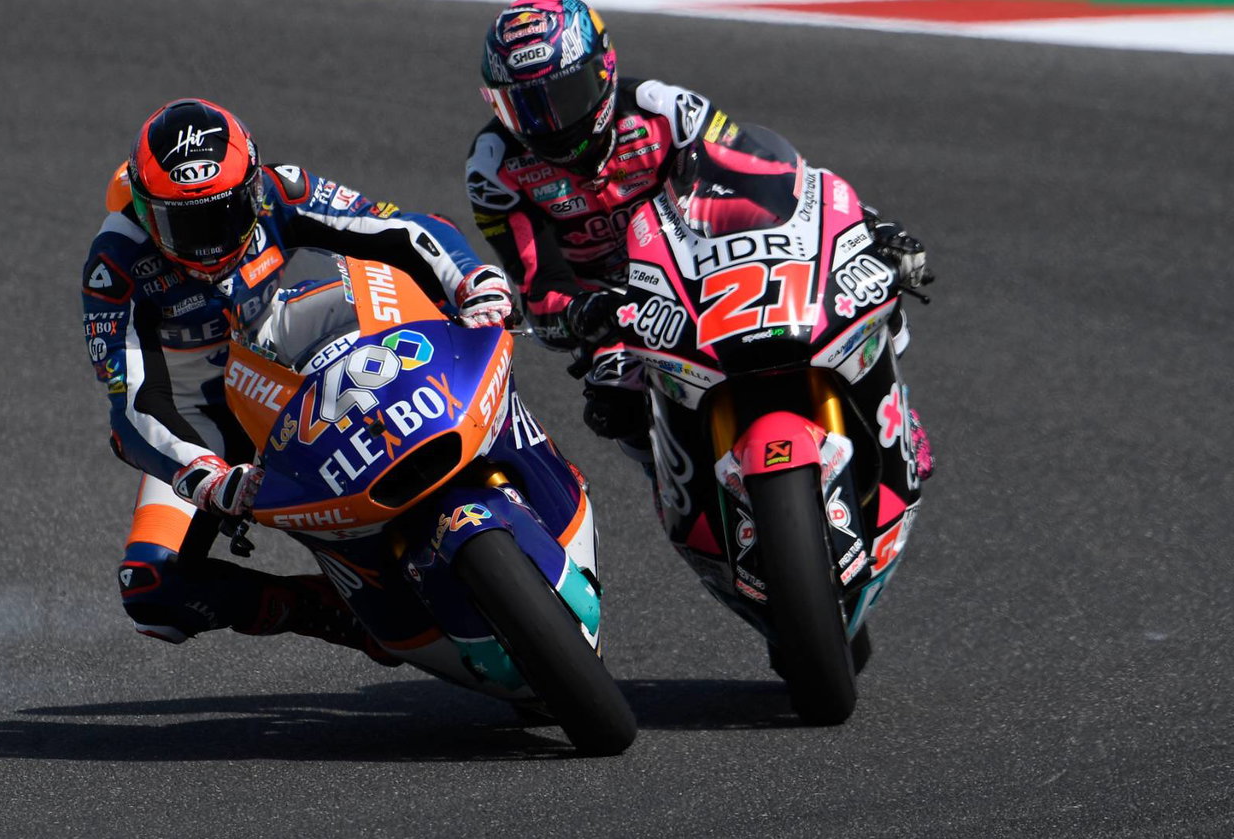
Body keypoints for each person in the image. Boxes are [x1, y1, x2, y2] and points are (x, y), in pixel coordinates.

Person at [83, 98, 514, 662]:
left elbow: (399, 227)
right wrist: (199, 473)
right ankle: (331, 610)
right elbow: (131, 402)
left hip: (281, 347)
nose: (209, 243)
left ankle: (501, 446)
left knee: (431, 302)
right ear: (145, 210)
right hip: (198, 419)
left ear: (251, 186)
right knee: (151, 589)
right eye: (181, 223)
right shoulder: (114, 264)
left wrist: (473, 282)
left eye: (223, 214)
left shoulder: (279, 188)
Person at [464, 0, 932, 470]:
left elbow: (771, 177)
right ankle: (678, 490)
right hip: (614, 309)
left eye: (564, 96)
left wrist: (866, 226)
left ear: (603, 69)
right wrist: (582, 313)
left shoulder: (666, 111)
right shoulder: (494, 167)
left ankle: (897, 416)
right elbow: (538, 284)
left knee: (860, 292)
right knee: (616, 406)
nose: (552, 124)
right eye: (527, 108)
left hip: (704, 266)